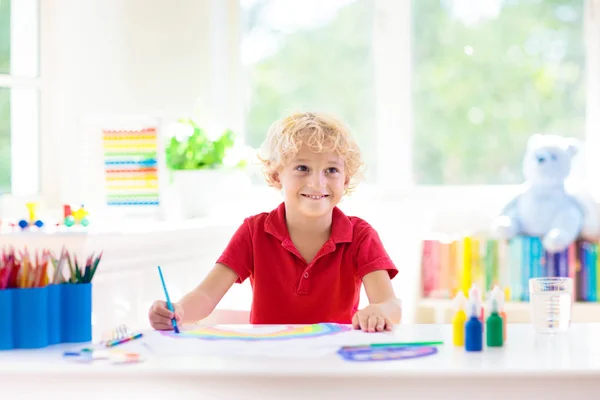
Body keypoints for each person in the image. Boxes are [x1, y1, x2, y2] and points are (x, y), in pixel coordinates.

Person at [149, 112, 401, 332]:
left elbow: (391, 305)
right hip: (268, 368)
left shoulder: (360, 235)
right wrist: (178, 311)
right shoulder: (253, 231)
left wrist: (379, 311)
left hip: (335, 367)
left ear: (346, 180)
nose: (317, 183)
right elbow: (205, 295)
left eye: (331, 170)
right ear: (275, 175)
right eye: (302, 168)